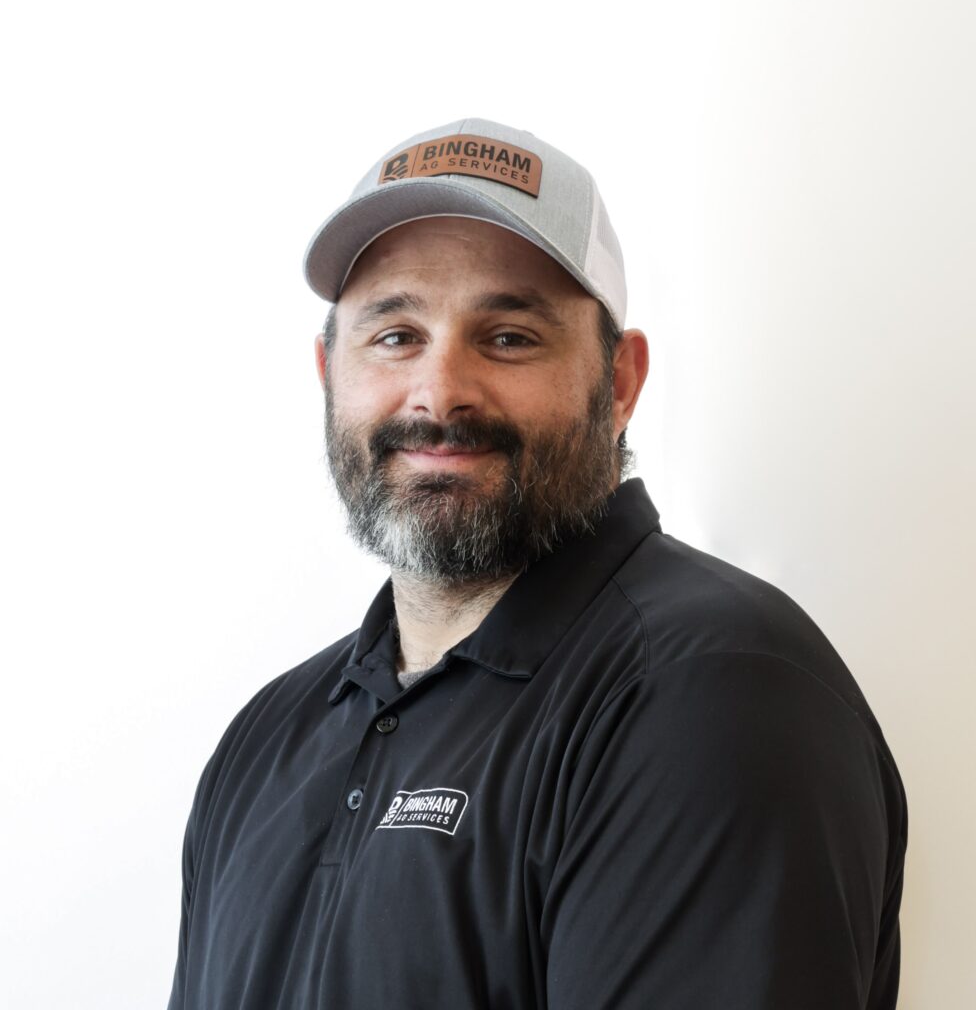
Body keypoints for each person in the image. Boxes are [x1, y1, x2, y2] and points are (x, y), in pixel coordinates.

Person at [167, 117, 907, 1010]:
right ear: (330, 373)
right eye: (395, 335)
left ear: (620, 382)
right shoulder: (267, 740)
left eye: (509, 337)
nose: (440, 391)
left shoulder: (709, 693)